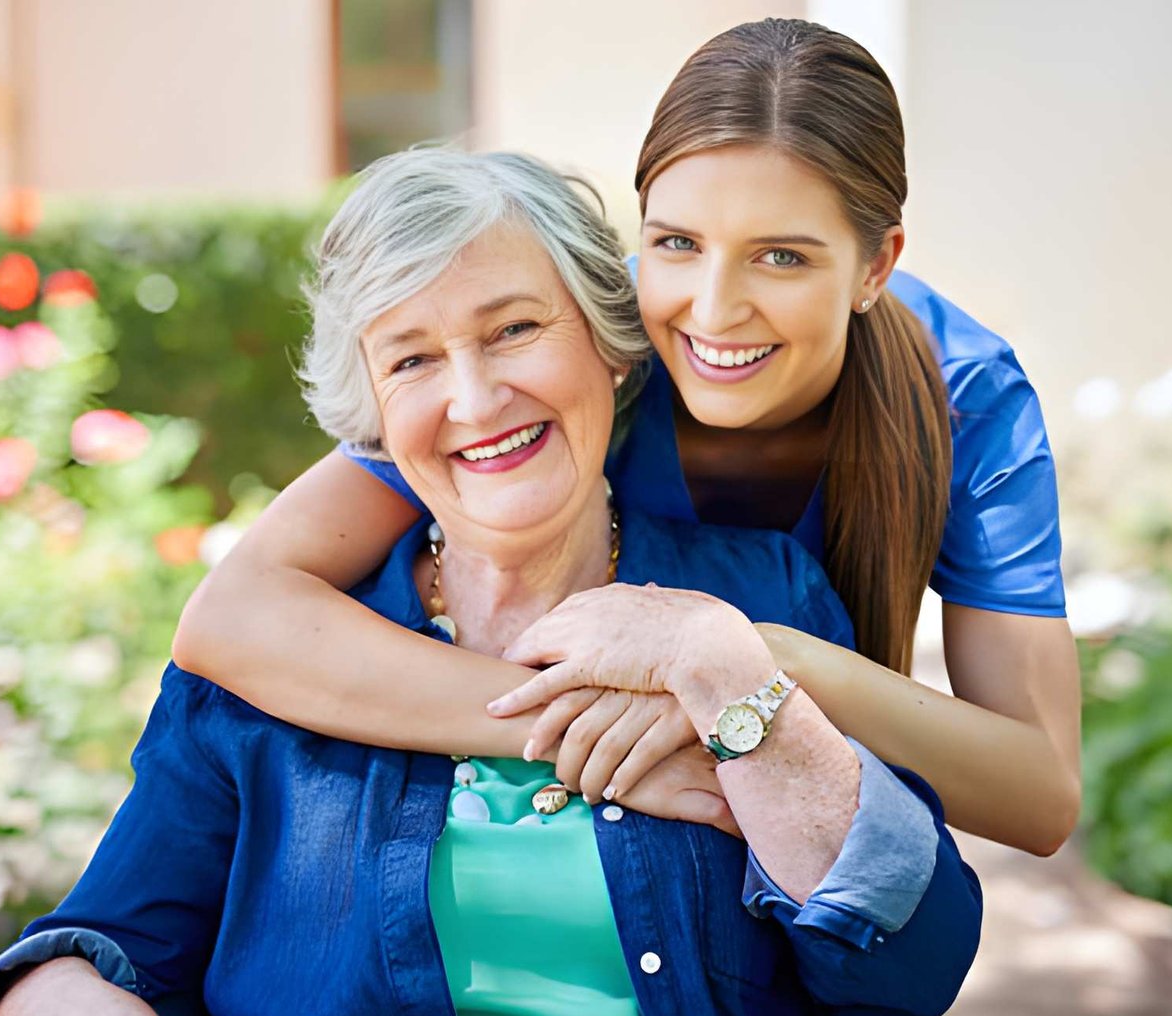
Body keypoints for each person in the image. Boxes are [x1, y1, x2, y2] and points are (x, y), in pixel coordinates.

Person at [0, 148, 979, 1016]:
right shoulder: (269, 670)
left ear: (609, 344)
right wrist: (53, 994)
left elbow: (906, 960)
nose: (476, 399)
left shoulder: (758, 595)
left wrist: (721, 665)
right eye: (411, 359)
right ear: (372, 413)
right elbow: (115, 938)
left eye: (515, 329)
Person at [173, 17, 1081, 857]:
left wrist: (751, 664)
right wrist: (560, 728)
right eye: (677, 243)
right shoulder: (575, 348)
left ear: (876, 264)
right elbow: (236, 617)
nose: (714, 310)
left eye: (783, 256)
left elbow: (1039, 796)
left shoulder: (966, 396)